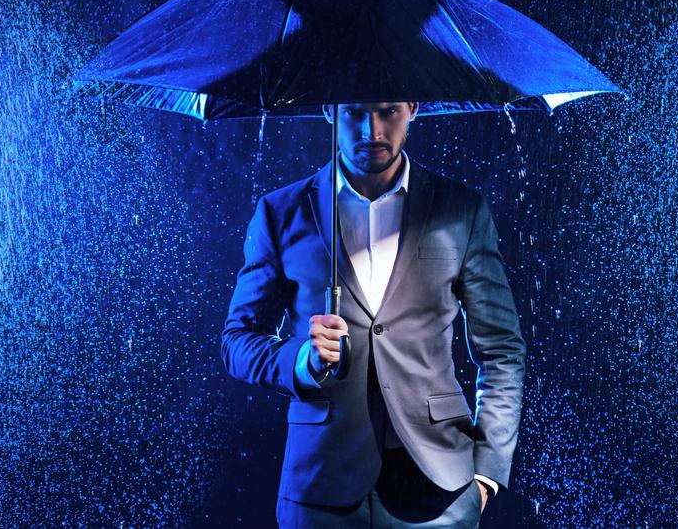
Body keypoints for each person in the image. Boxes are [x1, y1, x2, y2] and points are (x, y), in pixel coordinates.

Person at [221, 101, 526, 528]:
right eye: (355, 113)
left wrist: (486, 474)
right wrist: (300, 361)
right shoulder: (280, 212)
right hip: (320, 489)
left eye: (388, 112)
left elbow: (502, 351)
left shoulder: (461, 210)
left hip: (440, 492)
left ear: (413, 109)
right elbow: (237, 340)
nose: (373, 130)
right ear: (329, 111)